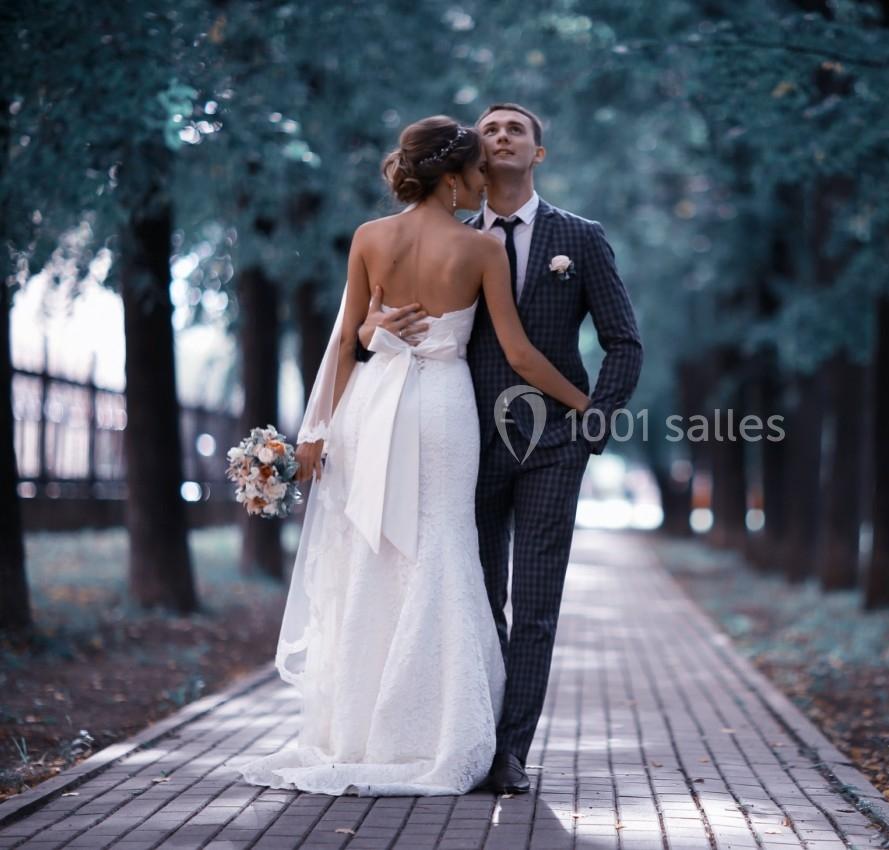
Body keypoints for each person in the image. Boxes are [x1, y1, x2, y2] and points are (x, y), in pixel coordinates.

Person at [237, 115, 591, 797]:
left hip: (373, 403)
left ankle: (362, 727)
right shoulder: (481, 249)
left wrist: (321, 433)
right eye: (476, 174)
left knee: (375, 548)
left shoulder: (371, 237)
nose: (481, 184)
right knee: (443, 546)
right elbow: (517, 353)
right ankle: (436, 727)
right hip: (443, 406)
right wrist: (582, 402)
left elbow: (348, 341)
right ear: (454, 176)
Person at [354, 103, 643, 794]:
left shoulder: (581, 237)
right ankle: (468, 736)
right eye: (492, 128)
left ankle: (508, 752)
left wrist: (596, 420)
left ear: (538, 153)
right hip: (463, 441)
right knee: (476, 597)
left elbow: (624, 341)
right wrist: (377, 323)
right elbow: (368, 324)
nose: (504, 135)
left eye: (519, 128)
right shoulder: (446, 238)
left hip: (554, 445)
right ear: (473, 157)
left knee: (536, 604)